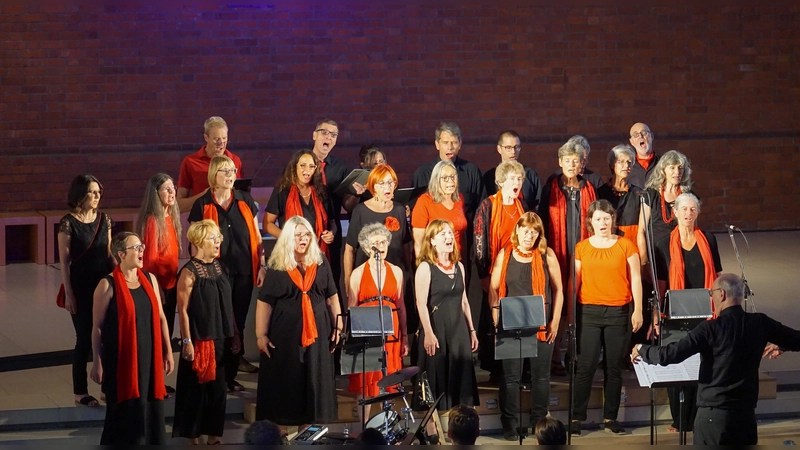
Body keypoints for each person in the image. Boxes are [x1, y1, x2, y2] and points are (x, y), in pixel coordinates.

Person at [632, 273, 800, 445]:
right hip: (745, 416)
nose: (711, 298)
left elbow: (669, 355)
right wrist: (782, 346)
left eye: (711, 294)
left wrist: (641, 349)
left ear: (721, 294)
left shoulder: (710, 329)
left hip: (713, 417)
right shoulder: (761, 323)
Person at [254, 215, 342, 426]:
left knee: (314, 378)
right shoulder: (277, 267)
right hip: (285, 335)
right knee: (288, 379)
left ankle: (308, 429)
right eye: (298, 235)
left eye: (306, 235)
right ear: (287, 239)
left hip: (319, 333)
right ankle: (283, 430)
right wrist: (261, 335)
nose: (303, 239)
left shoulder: (321, 262)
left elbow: (332, 297)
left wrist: (338, 327)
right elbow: (265, 303)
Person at [188, 155, 266, 391]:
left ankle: (230, 377)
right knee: (218, 325)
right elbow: (193, 242)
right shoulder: (203, 204)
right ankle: (214, 375)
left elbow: (257, 235)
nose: (231, 175)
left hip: (243, 272)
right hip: (214, 275)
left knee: (237, 326)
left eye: (233, 170)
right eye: (225, 171)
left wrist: (262, 264)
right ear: (213, 175)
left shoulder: (245, 199)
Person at [90, 232, 174, 444]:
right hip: (122, 362)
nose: (141, 251)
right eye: (136, 248)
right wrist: (97, 362)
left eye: (141, 246)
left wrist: (168, 351)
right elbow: (97, 328)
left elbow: (162, 318)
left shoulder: (149, 279)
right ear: (121, 254)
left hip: (150, 358)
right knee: (124, 415)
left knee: (151, 410)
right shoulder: (107, 285)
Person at [488, 212, 564, 441]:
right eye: (526, 230)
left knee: (541, 376)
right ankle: (509, 424)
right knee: (511, 378)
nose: (529, 235)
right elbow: (493, 289)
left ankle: (538, 423)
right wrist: (496, 319)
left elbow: (559, 289)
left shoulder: (546, 255)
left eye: (534, 231)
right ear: (517, 231)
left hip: (540, 325)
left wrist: (556, 321)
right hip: (510, 325)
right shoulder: (505, 254)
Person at [571, 199, 643, 436]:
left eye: (606, 217)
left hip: (618, 312)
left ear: (613, 219)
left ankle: (611, 417)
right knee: (586, 366)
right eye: (598, 218)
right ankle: (576, 417)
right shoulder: (582, 247)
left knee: (614, 368)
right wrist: (570, 314)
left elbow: (635, 279)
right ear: (590, 221)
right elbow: (575, 282)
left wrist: (638, 309)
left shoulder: (626, 245)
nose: (602, 222)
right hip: (589, 312)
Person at [652, 193, 722, 433]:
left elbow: (718, 277)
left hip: (704, 311)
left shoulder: (709, 240)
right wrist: (657, 314)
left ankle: (696, 418)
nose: (688, 214)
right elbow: (660, 283)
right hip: (675, 313)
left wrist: (720, 306)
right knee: (678, 363)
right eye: (684, 209)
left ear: (697, 213)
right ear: (676, 212)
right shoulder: (663, 243)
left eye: (693, 209)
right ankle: (679, 420)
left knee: (701, 365)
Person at [171, 220, 236, 445]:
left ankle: (214, 436)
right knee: (196, 391)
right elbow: (183, 310)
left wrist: (234, 333)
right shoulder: (189, 272)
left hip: (221, 337)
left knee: (218, 391)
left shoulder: (221, 267)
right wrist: (187, 340)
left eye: (218, 237)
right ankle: (193, 436)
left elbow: (228, 304)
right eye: (212, 238)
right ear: (198, 242)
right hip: (200, 340)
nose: (218, 242)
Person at [538, 136, 598, 376]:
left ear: (581, 163)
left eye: (576, 161)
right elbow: (542, 220)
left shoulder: (588, 187)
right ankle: (554, 356)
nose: (572, 165)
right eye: (567, 161)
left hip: (583, 252)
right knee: (558, 303)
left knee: (580, 302)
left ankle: (576, 355)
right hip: (557, 253)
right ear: (560, 162)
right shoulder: (551, 186)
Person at [58, 174, 114, 407]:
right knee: (84, 339)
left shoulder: (104, 219)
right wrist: (69, 293)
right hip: (80, 286)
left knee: (108, 336)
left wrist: (121, 280)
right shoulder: (68, 223)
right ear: (80, 194)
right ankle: (80, 392)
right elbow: (64, 262)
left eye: (99, 192)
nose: (96, 196)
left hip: (103, 285)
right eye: (92, 192)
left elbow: (109, 254)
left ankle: (107, 388)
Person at [413, 219, 479, 413]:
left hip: (458, 330)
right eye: (443, 234)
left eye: (450, 233)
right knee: (434, 377)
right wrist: (429, 333)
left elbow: (464, 301)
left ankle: (460, 424)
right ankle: (433, 432)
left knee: (461, 376)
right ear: (432, 241)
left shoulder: (459, 266)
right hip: (436, 328)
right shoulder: (425, 268)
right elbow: (421, 303)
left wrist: (472, 330)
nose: (449, 237)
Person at [346, 223, 409, 420]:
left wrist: (405, 336)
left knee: (388, 378)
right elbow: (351, 309)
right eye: (375, 243)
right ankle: (365, 428)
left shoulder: (396, 272)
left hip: (391, 330)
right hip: (366, 331)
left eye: (383, 242)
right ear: (367, 248)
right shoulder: (357, 273)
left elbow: (401, 305)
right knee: (367, 381)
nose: (380, 246)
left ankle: (385, 427)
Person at [473, 160, 525, 382]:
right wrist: (484, 274)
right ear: (501, 181)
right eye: (512, 178)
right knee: (496, 320)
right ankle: (497, 371)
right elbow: (479, 239)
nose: (516, 182)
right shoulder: (488, 205)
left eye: (519, 178)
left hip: (517, 273)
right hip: (494, 272)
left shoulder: (523, 206)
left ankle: (516, 370)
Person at [597, 146, 649, 349]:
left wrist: (642, 260)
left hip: (631, 254)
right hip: (608, 254)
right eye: (621, 161)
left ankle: (631, 348)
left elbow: (642, 231)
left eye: (630, 162)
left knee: (632, 300)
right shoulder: (600, 193)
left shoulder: (639, 194)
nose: (626, 166)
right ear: (612, 165)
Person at [137, 173, 182, 395]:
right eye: (166, 189)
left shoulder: (171, 218)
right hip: (158, 288)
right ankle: (153, 383)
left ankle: (159, 381)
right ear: (156, 194)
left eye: (173, 187)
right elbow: (150, 262)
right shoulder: (153, 221)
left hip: (170, 285)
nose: (172, 192)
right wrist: (157, 292)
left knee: (166, 335)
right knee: (156, 336)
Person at [343, 164, 410, 293]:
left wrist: (408, 273)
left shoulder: (399, 210)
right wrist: (348, 279)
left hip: (395, 277)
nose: (388, 187)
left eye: (391, 182)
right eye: (382, 183)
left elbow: (405, 245)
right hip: (368, 278)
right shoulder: (360, 210)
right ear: (373, 186)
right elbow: (349, 248)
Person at [263, 149, 335, 257]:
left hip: (318, 254)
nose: (307, 170)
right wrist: (288, 238)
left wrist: (332, 233)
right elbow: (267, 224)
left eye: (312, 166)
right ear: (294, 167)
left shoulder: (322, 191)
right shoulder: (282, 191)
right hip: (289, 254)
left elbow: (332, 222)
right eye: (303, 165)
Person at [412, 122, 485, 225]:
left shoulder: (472, 171)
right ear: (437, 144)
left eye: (454, 142)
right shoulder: (423, 173)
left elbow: (482, 209)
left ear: (460, 144)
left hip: (466, 236)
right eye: (445, 143)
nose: (450, 147)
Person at [310, 119, 351, 298]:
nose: (329, 137)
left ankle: (335, 324)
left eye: (333, 135)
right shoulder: (301, 162)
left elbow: (347, 205)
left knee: (331, 281)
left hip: (331, 232)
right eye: (325, 132)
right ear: (314, 135)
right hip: (307, 232)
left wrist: (354, 193)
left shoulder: (340, 167)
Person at [177, 116, 243, 212]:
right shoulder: (190, 162)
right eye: (216, 139)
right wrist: (205, 196)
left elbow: (241, 196)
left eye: (224, 138)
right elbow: (179, 206)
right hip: (205, 221)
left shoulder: (235, 161)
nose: (221, 143)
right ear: (206, 137)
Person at [638, 150, 694, 265]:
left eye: (680, 168)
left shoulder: (687, 196)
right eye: (672, 168)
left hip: (680, 251)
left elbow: (692, 229)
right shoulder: (651, 194)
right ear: (663, 170)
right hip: (655, 252)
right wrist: (644, 259)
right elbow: (641, 231)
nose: (677, 172)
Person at [411, 160, 468, 259]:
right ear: (436, 180)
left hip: (458, 259)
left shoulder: (459, 198)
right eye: (445, 178)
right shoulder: (424, 201)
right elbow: (419, 242)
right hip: (434, 260)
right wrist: (422, 267)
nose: (450, 181)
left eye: (453, 176)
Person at [481, 130, 542, 212]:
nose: (513, 152)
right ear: (499, 149)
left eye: (516, 147)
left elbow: (539, 204)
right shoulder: (490, 177)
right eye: (508, 148)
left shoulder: (530, 174)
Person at [341, 144, 387, 212]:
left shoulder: (389, 178)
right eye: (375, 163)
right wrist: (356, 194)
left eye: (381, 161)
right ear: (363, 165)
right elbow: (348, 207)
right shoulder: (356, 180)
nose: (380, 166)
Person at [628, 122, 659, 189]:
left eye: (644, 132)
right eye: (636, 135)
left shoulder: (663, 163)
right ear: (631, 142)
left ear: (652, 136)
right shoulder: (628, 167)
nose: (640, 136)